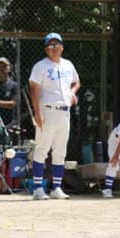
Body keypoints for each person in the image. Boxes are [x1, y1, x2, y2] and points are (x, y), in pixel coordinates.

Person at [29, 32, 81, 200]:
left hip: (64, 113)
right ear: (46, 49)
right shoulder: (40, 66)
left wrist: (72, 92)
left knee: (60, 151)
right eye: (50, 46)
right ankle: (38, 189)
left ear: (62, 47)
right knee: (42, 149)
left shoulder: (68, 65)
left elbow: (76, 81)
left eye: (57, 45)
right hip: (47, 111)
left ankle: (56, 188)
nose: (54, 48)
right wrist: (37, 113)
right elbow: (34, 90)